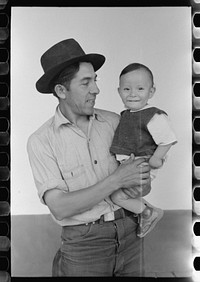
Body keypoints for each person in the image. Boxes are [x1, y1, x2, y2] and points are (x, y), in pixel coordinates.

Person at [27, 39, 151, 277]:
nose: (96, 89)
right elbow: (60, 208)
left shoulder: (115, 121)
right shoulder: (40, 141)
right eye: (86, 83)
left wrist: (141, 182)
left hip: (132, 233)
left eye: (95, 80)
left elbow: (141, 183)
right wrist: (117, 180)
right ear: (61, 91)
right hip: (84, 246)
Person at [110, 63, 177, 238]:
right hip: (130, 165)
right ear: (119, 92)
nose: (132, 94)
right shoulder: (126, 114)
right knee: (116, 192)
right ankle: (146, 211)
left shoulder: (153, 115)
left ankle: (148, 213)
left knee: (117, 197)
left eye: (140, 88)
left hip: (142, 165)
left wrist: (156, 159)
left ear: (151, 92)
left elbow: (167, 139)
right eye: (126, 89)